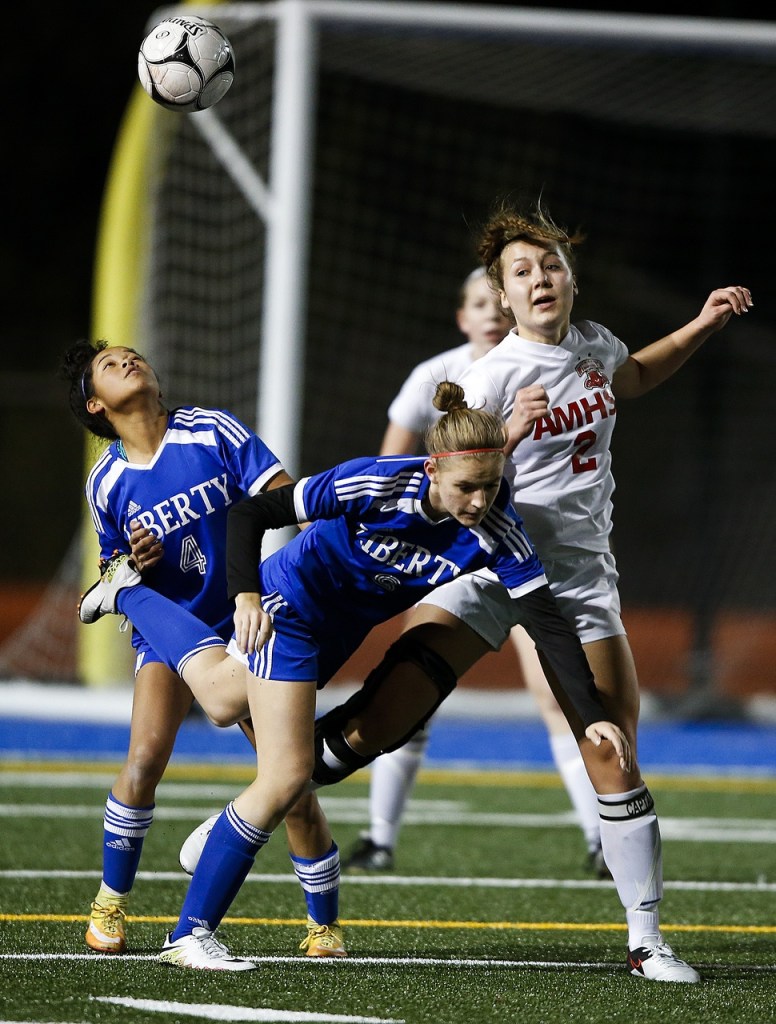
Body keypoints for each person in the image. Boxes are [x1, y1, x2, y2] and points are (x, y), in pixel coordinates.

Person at [78, 380, 630, 972]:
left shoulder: (498, 529)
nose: (477, 501)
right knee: (288, 774)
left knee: (219, 702)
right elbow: (252, 510)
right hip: (292, 603)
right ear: (434, 468)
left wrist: (594, 715)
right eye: (467, 487)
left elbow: (547, 623)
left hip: (336, 636)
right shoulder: (375, 480)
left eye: (491, 486)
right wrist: (244, 595)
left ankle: (128, 593)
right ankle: (191, 934)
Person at [393, 201, 751, 983]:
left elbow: (634, 376)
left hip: (582, 577)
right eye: (522, 271)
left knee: (614, 749)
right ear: (505, 298)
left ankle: (647, 941)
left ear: (571, 281)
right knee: (383, 715)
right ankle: (266, 805)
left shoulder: (593, 347)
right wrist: (509, 434)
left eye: (550, 264)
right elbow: (460, 486)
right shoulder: (489, 378)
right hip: (492, 569)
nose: (540, 276)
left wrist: (701, 325)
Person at [61, 340, 346, 966]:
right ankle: (110, 901)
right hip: (171, 627)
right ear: (95, 405)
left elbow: (283, 493)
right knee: (144, 757)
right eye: (111, 366)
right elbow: (114, 565)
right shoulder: (105, 481)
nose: (128, 362)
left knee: (290, 778)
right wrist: (132, 562)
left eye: (133, 356)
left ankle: (322, 925)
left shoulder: (210, 430)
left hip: (242, 621)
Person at [345, 266, 606, 878]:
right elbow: (392, 470)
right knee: (409, 688)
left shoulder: (564, 363)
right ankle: (378, 837)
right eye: (476, 302)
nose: (490, 311)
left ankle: (600, 839)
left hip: (528, 552)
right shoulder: (438, 377)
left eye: (498, 300)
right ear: (462, 316)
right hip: (456, 555)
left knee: (558, 693)